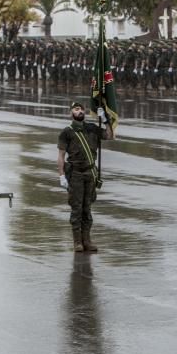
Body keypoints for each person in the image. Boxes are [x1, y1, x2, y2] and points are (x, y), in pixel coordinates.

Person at [58, 101, 114, 253]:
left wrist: (106, 119)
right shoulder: (67, 132)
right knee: (77, 208)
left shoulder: (92, 128)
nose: (80, 111)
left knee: (87, 208)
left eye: (82, 109)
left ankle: (87, 240)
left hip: (90, 173)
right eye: (76, 109)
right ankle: (77, 242)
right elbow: (61, 155)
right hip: (75, 173)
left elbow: (109, 135)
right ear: (71, 113)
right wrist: (62, 175)